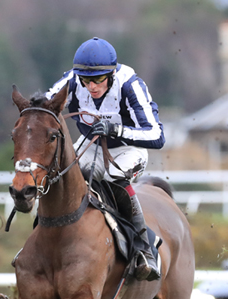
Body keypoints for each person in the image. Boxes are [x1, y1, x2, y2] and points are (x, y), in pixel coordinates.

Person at [46, 37, 164, 281]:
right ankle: (42, 239)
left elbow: (157, 135)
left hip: (128, 148)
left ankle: (143, 249)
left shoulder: (130, 85)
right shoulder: (72, 80)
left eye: (98, 79)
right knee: (59, 174)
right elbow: (45, 105)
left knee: (113, 177)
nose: (91, 86)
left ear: (111, 74)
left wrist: (115, 130)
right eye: (86, 80)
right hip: (91, 144)